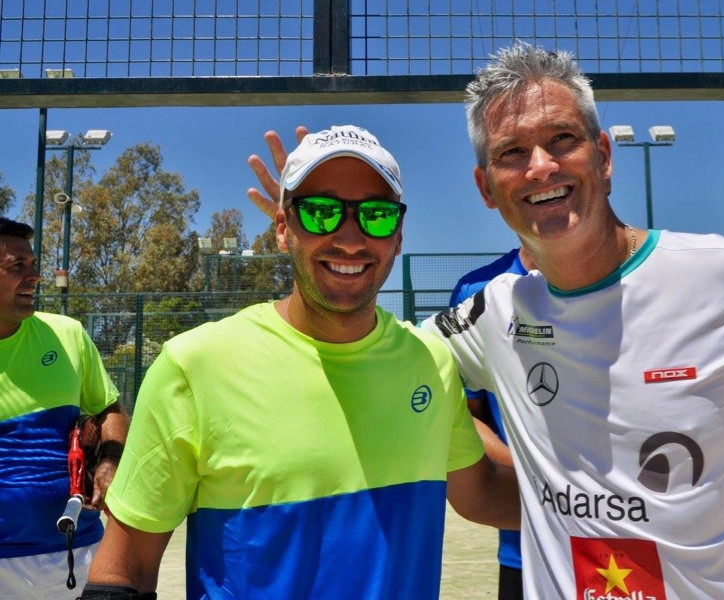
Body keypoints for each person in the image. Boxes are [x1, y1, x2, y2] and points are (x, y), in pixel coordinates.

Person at [245, 45, 724, 600]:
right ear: (486, 187)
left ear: (604, 155)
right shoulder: (493, 312)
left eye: (562, 140)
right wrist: (323, 230)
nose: (541, 166)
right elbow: (368, 350)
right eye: (512, 153)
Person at [82, 125, 519, 600]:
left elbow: (484, 493)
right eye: (320, 212)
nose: (349, 239)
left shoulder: (429, 361)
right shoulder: (195, 366)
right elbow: (123, 570)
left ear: (398, 236)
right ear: (282, 228)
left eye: (375, 215)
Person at [0, 217, 127, 599]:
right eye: (17, 266)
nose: (34, 276)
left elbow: (109, 410)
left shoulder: (67, 334)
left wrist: (109, 461)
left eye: (33, 264)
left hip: (79, 549)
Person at [449, 247, 534, 600]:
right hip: (524, 552)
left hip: (640, 543)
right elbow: (466, 413)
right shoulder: (476, 291)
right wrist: (538, 472)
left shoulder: (651, 278)